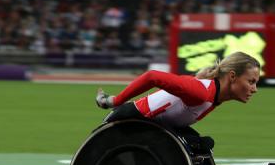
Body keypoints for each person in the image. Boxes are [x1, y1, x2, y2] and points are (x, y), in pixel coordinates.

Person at [95, 51, 260, 130]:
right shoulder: (200, 93)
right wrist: (114, 101)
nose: (255, 89)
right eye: (251, 81)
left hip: (153, 128)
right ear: (232, 76)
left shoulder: (215, 97)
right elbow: (151, 76)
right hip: (128, 120)